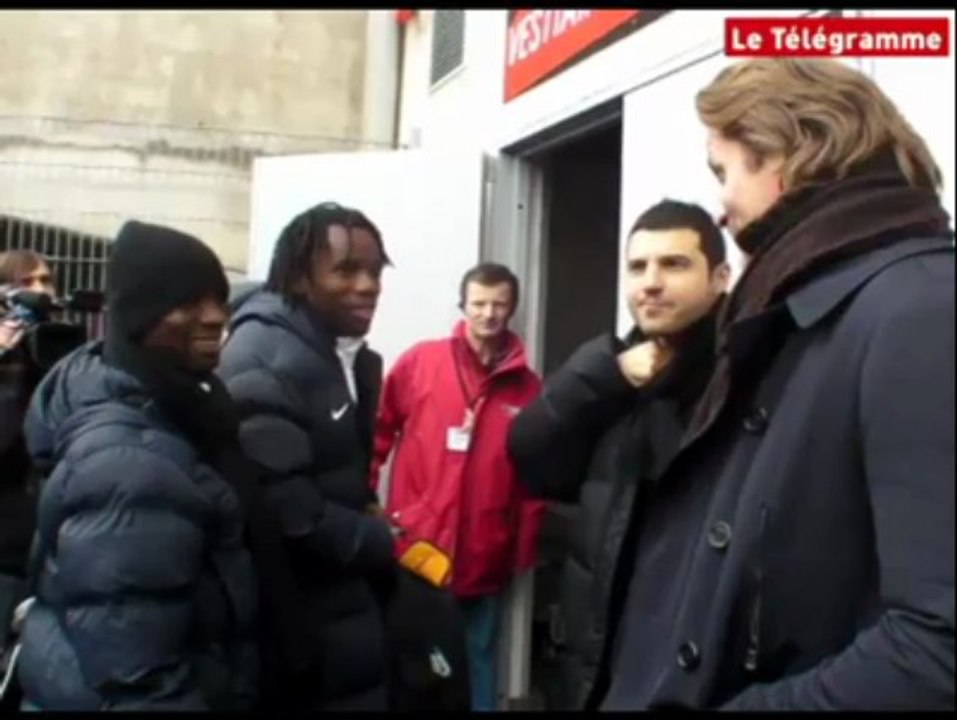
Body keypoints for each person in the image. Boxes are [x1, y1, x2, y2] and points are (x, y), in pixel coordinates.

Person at [596, 58, 955, 711]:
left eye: (722, 171)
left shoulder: (922, 311)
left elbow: (934, 649)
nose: (720, 204)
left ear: (786, 156)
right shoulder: (805, 306)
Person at [16, 222, 258, 710]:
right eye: (188, 303)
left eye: (218, 298)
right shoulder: (127, 463)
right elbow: (137, 676)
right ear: (139, 319)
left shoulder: (179, 407)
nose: (215, 318)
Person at [507, 200, 730, 710]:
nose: (650, 282)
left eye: (673, 264)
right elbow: (530, 458)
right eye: (637, 267)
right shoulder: (611, 374)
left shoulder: (740, 374)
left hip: (690, 664)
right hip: (601, 659)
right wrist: (604, 376)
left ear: (719, 278)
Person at [219, 201, 397, 710]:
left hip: (339, 608)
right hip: (296, 624)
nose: (368, 285)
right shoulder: (265, 361)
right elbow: (289, 516)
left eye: (374, 269)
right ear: (299, 278)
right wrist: (384, 541)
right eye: (346, 270)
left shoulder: (340, 351)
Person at [372, 262, 544, 711]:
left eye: (499, 304)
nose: (488, 314)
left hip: (484, 549)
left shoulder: (527, 390)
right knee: (413, 656)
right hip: (417, 546)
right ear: (463, 306)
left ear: (512, 309)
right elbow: (377, 432)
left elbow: (535, 476)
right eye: (479, 304)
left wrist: (522, 548)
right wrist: (367, 500)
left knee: (477, 655)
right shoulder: (421, 363)